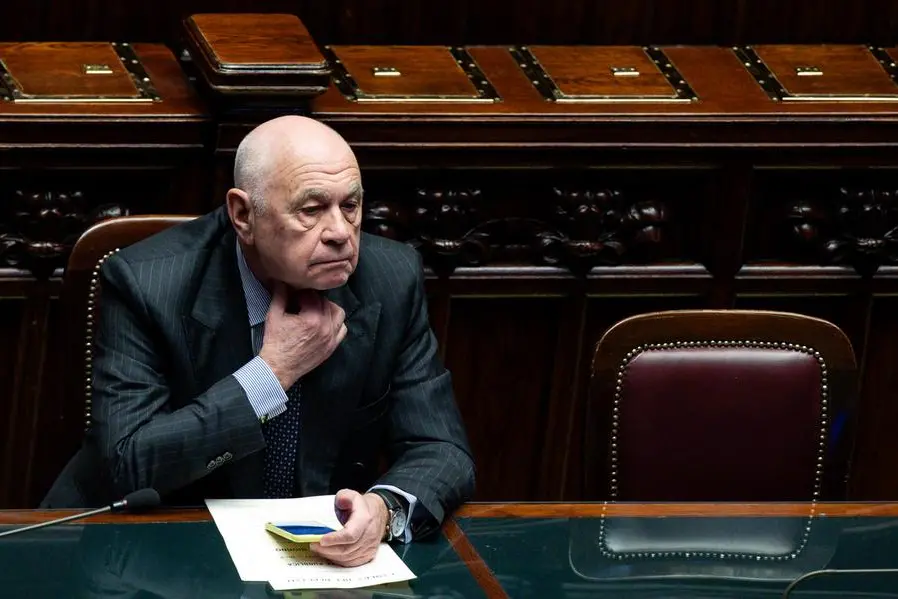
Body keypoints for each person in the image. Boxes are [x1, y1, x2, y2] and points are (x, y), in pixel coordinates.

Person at [42, 115, 476, 567]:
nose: (341, 232)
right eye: (311, 209)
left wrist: (384, 510)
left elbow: (441, 448)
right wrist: (270, 376)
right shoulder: (148, 284)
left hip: (315, 559)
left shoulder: (391, 277)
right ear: (243, 215)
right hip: (161, 553)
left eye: (350, 205)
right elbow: (125, 465)